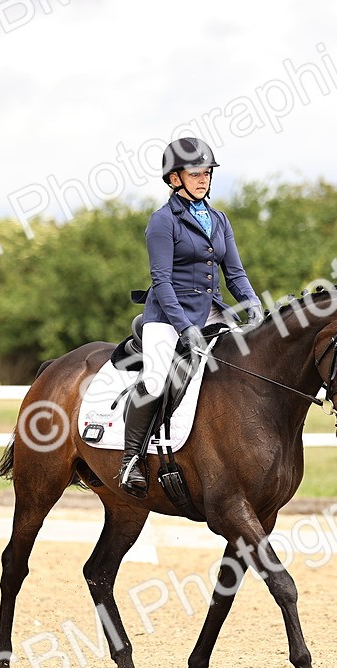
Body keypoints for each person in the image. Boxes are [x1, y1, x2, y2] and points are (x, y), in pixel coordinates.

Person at [119, 137, 264, 497]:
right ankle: (131, 459)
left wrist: (252, 303)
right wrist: (184, 328)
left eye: (207, 173)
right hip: (167, 316)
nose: (203, 179)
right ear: (174, 178)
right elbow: (162, 280)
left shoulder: (219, 219)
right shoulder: (162, 221)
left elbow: (235, 273)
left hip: (212, 311)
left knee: (246, 364)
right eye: (195, 173)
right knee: (156, 381)